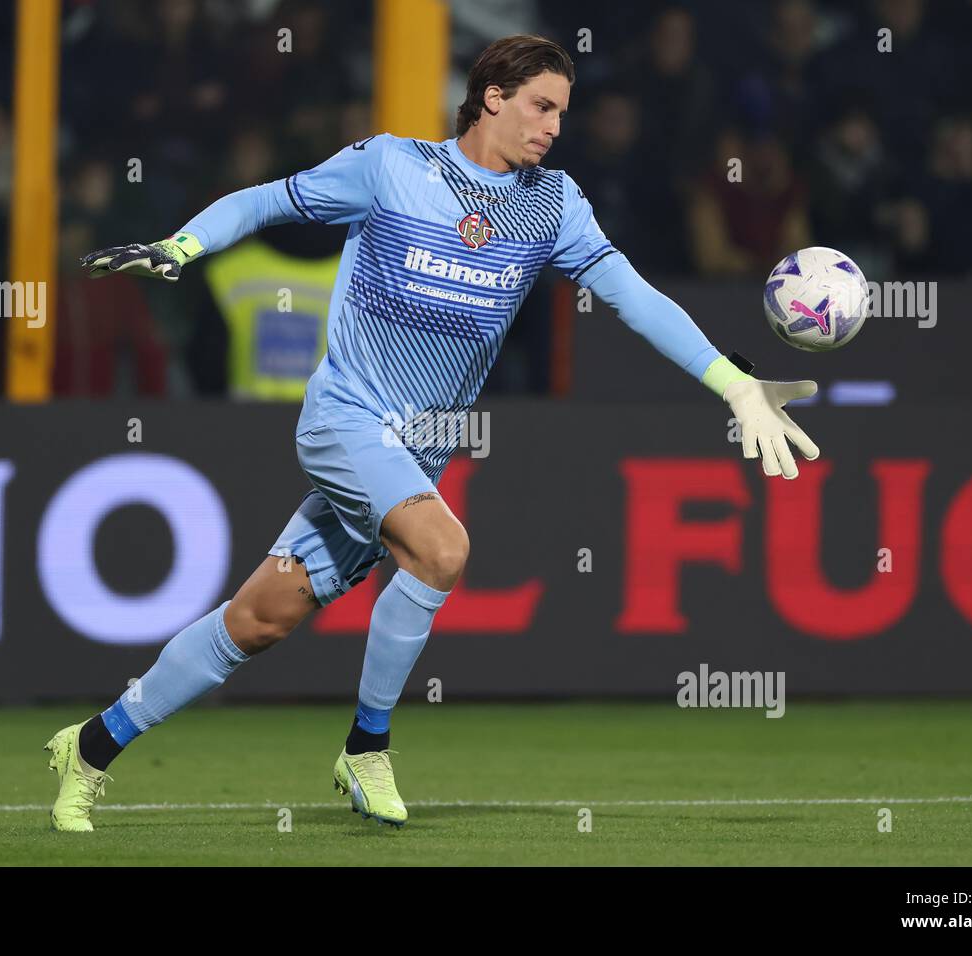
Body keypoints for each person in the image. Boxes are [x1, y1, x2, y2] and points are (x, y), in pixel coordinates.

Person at [47, 34, 820, 831]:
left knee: (260, 617)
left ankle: (93, 746)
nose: (554, 126)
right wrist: (182, 246)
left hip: (416, 450)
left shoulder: (552, 205)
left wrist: (734, 385)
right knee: (444, 549)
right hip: (345, 418)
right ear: (493, 96)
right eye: (541, 106)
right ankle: (366, 746)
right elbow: (267, 198)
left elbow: (635, 297)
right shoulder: (391, 167)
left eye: (562, 111)